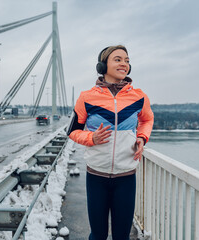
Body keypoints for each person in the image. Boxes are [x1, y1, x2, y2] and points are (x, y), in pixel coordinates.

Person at [66, 45, 154, 240]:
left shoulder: (139, 97)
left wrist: (142, 137)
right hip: (96, 175)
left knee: (122, 236)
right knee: (98, 235)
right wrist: (91, 138)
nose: (124, 64)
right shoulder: (86, 97)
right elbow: (72, 131)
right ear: (102, 65)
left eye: (127, 60)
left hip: (126, 176)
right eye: (118, 59)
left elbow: (147, 120)